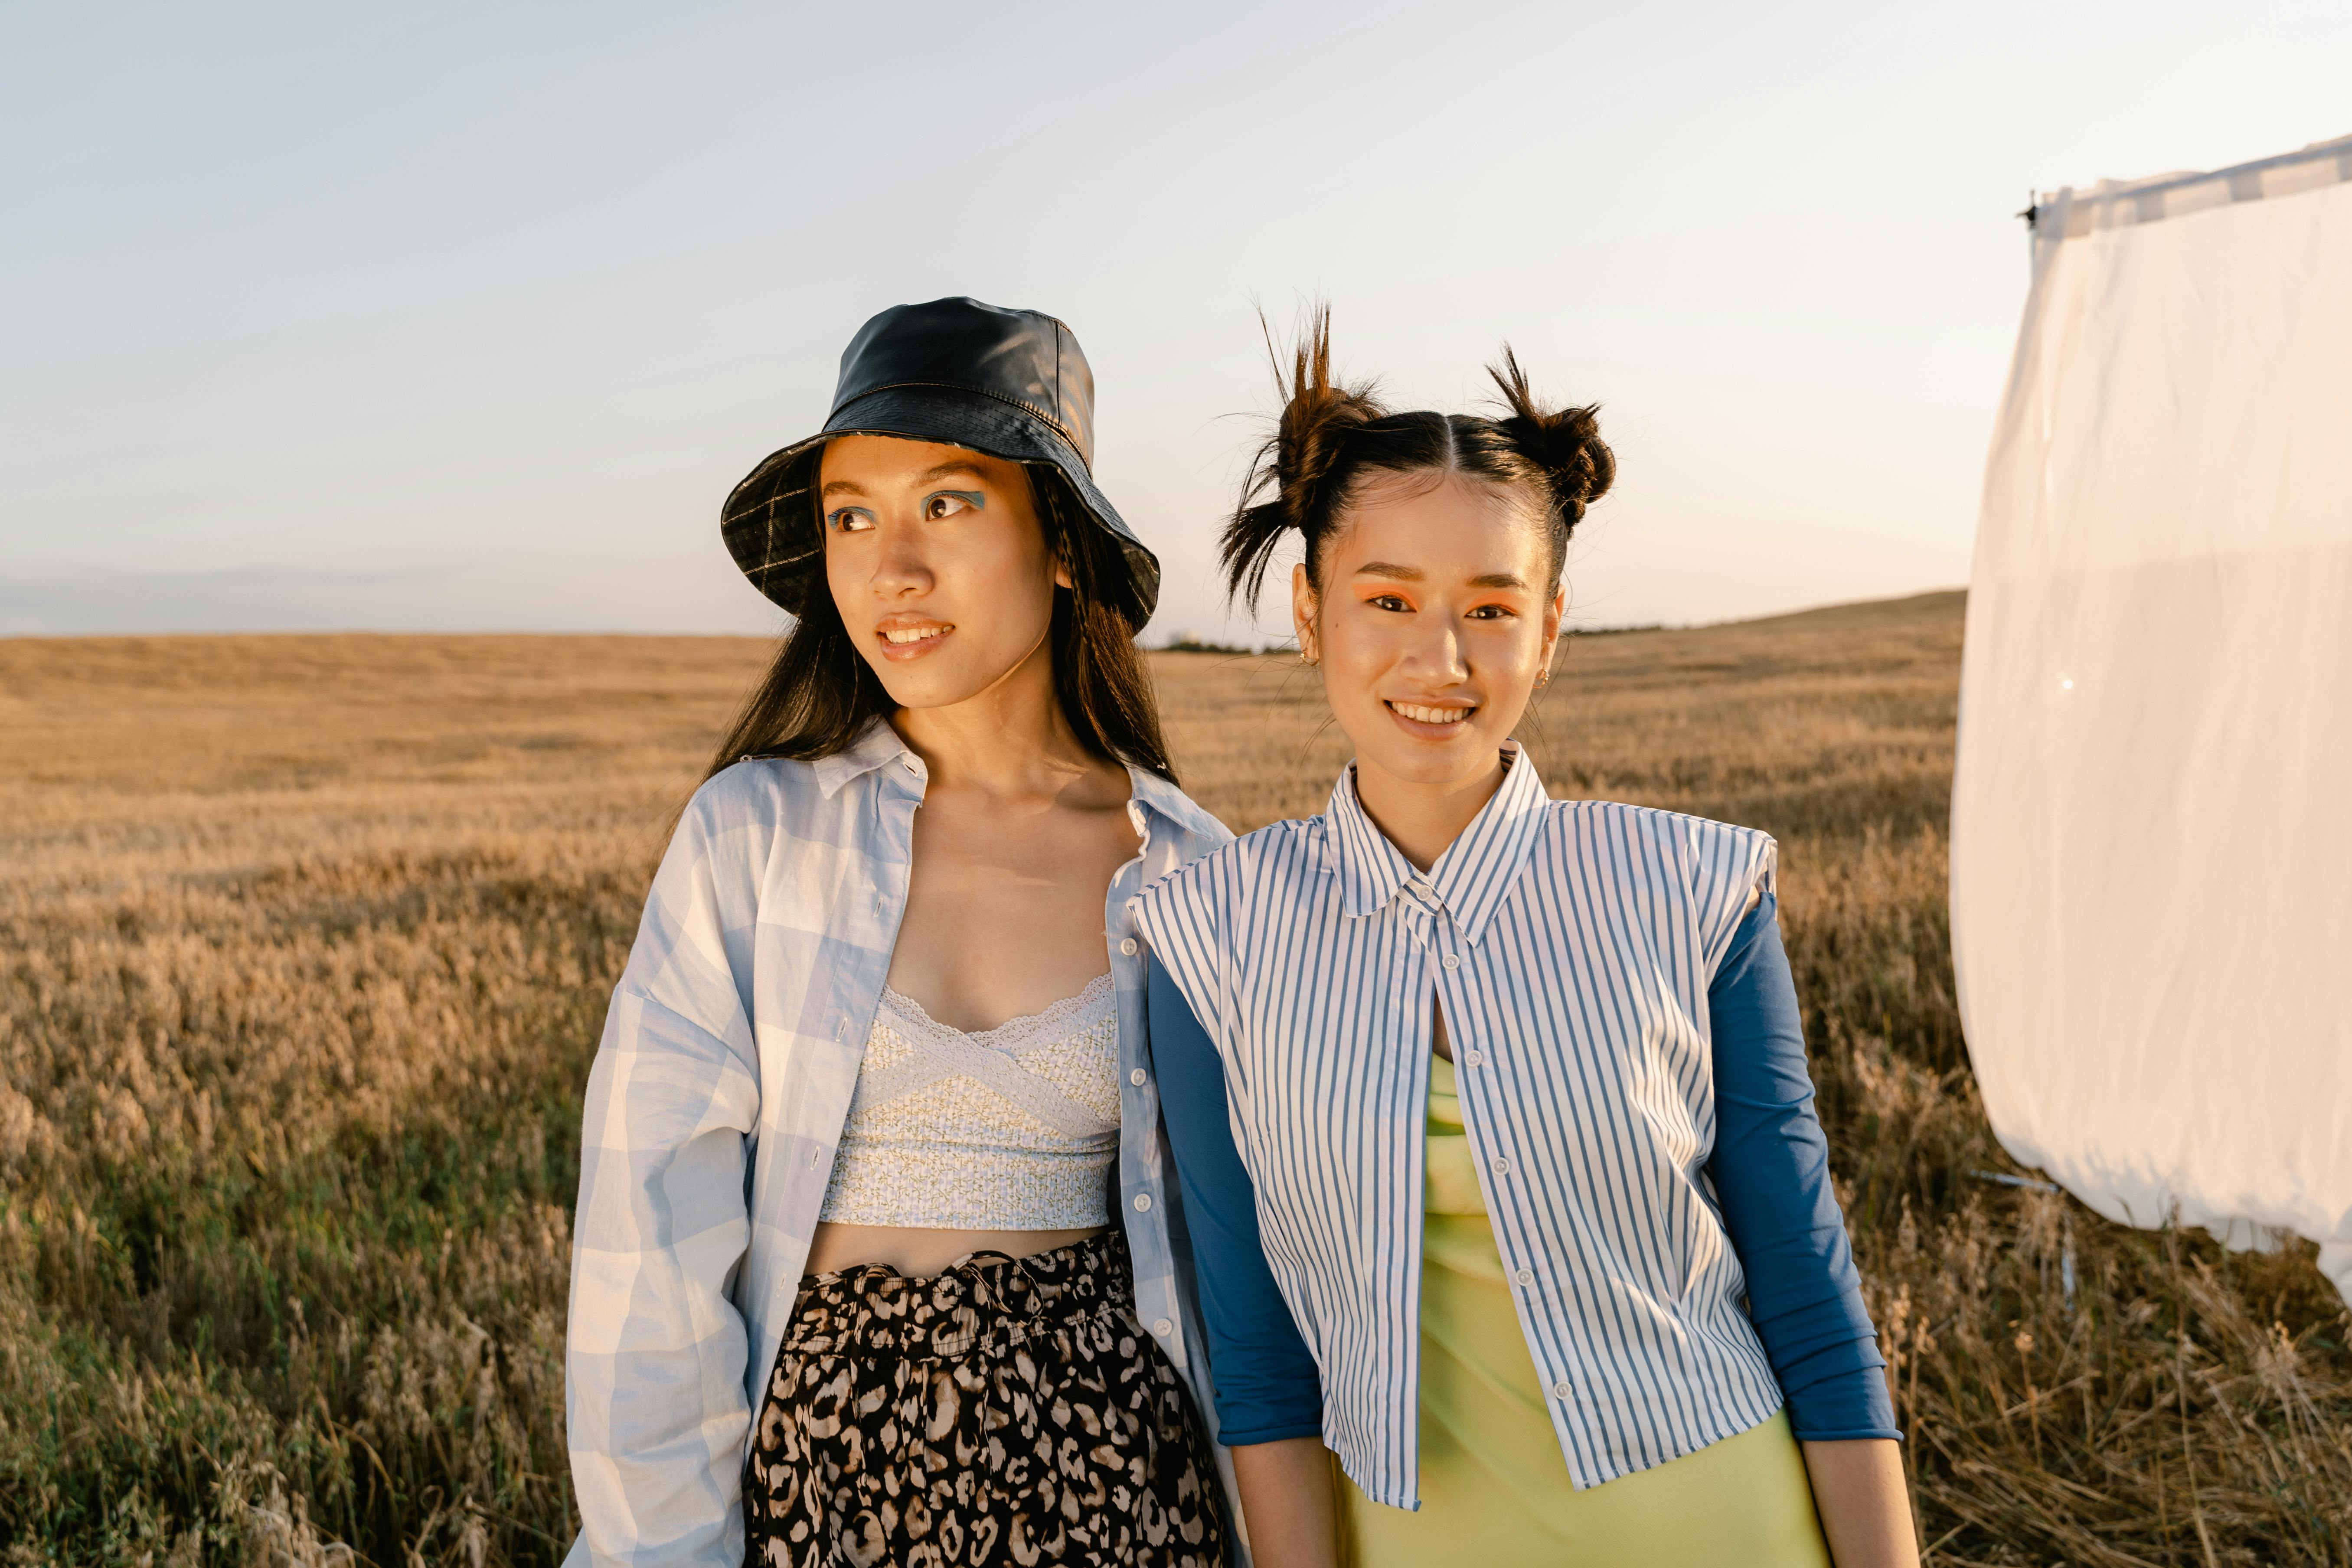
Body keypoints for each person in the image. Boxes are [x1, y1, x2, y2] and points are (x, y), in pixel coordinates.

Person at [1130, 314, 1920, 1567]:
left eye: (1490, 608)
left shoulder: (1697, 888)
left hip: (1724, 1524)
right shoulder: (1204, 934)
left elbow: (1808, 1291)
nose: (1437, 658)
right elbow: (1261, 1354)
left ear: (1551, 626)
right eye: (1386, 598)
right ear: (1308, 612)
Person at [565, 298, 1235, 1567]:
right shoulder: (756, 837)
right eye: (851, 516)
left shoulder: (1191, 870)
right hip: (821, 1490)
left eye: (948, 503)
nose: (891, 570)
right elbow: (645, 1252)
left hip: (1114, 1494)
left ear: (1057, 540)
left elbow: (1264, 1269)